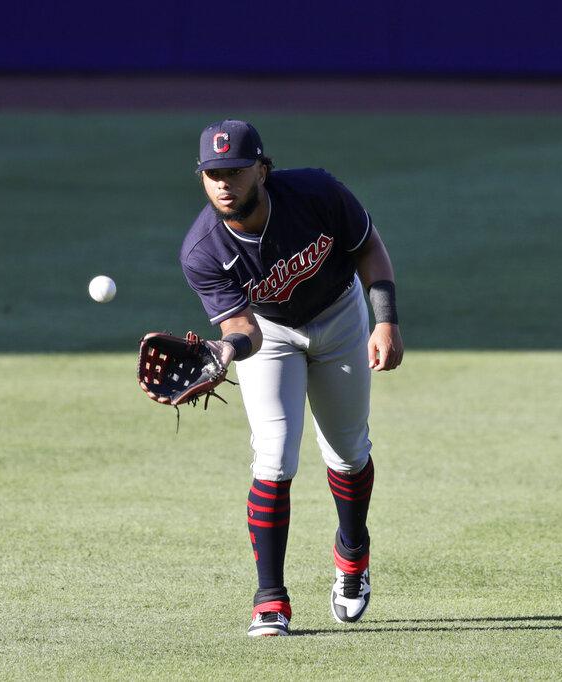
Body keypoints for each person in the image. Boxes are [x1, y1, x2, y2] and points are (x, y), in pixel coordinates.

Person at [179, 120, 403, 637]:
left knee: (347, 452)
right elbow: (244, 328)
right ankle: (270, 600)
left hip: (341, 316)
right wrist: (223, 349)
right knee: (274, 458)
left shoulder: (316, 193)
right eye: (212, 173)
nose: (223, 183)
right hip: (270, 334)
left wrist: (386, 319)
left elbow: (368, 248)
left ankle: (352, 554)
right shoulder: (203, 250)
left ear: (262, 168)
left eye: (234, 171)